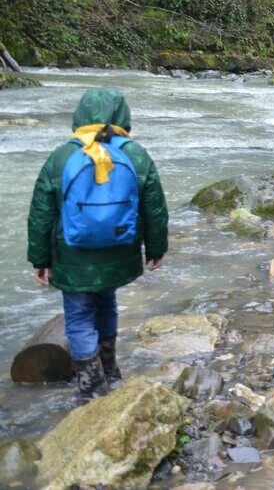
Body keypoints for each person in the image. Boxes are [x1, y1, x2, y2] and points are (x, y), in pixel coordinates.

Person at [26, 88, 169, 401]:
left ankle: (91, 386)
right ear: (122, 116)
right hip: (120, 251)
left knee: (78, 316)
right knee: (107, 302)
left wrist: (39, 259)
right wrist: (155, 249)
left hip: (72, 255)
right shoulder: (136, 154)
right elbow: (155, 208)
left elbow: (41, 212)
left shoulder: (62, 156)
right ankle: (111, 370)